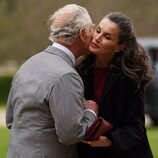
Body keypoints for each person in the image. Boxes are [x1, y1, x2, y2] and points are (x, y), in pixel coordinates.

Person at [6, 4, 99, 158]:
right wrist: (90, 113)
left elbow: (10, 120)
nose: (95, 35)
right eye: (92, 29)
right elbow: (70, 135)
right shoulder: (66, 75)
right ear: (82, 33)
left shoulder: (28, 65)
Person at [76, 12, 153, 158]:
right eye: (98, 30)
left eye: (107, 36)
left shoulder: (130, 77)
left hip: (125, 153)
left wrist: (109, 140)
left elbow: (136, 127)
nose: (97, 38)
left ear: (119, 46)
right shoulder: (80, 70)